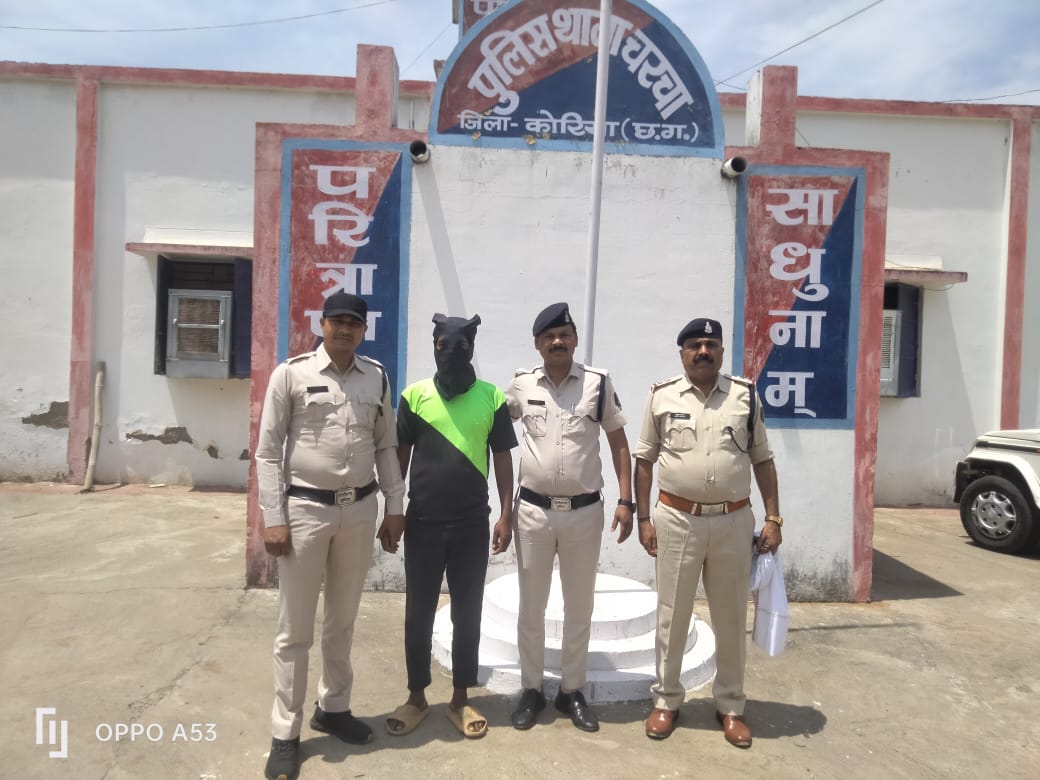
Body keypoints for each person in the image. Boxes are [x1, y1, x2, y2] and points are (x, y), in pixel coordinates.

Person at [255, 291, 406, 780]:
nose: (344, 329)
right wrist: (273, 516)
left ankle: (334, 707)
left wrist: (395, 507)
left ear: (364, 329)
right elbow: (267, 452)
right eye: (336, 321)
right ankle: (286, 732)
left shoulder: (376, 376)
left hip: (358, 512)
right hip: (305, 512)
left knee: (342, 621)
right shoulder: (291, 375)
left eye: (353, 323)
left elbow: (386, 446)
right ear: (321, 324)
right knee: (294, 629)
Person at [634, 317, 783, 749]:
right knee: (672, 614)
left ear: (720, 351)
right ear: (682, 353)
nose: (703, 351)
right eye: (695, 345)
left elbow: (763, 459)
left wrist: (773, 518)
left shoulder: (744, 395)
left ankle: (731, 705)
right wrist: (643, 518)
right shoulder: (661, 396)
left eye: (710, 344)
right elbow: (644, 460)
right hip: (677, 519)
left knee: (731, 617)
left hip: (734, 522)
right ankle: (666, 699)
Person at [381, 313, 517, 739]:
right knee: (417, 613)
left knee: (467, 613)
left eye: (461, 346)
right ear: (434, 346)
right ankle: (416, 697)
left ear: (471, 349)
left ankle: (460, 697)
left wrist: (507, 514)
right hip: (422, 523)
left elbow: (503, 458)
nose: (452, 353)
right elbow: (399, 460)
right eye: (443, 345)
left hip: (471, 524)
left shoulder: (492, 398)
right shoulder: (414, 396)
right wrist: (393, 510)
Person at [504, 302, 634, 732]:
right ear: (537, 344)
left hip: (583, 513)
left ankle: (571, 691)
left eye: (564, 335)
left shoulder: (598, 383)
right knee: (531, 606)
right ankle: (531, 689)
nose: (557, 342)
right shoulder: (521, 384)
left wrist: (626, 500)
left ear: (575, 340)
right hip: (533, 513)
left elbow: (618, 442)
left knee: (579, 605)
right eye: (549, 336)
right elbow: (495, 434)